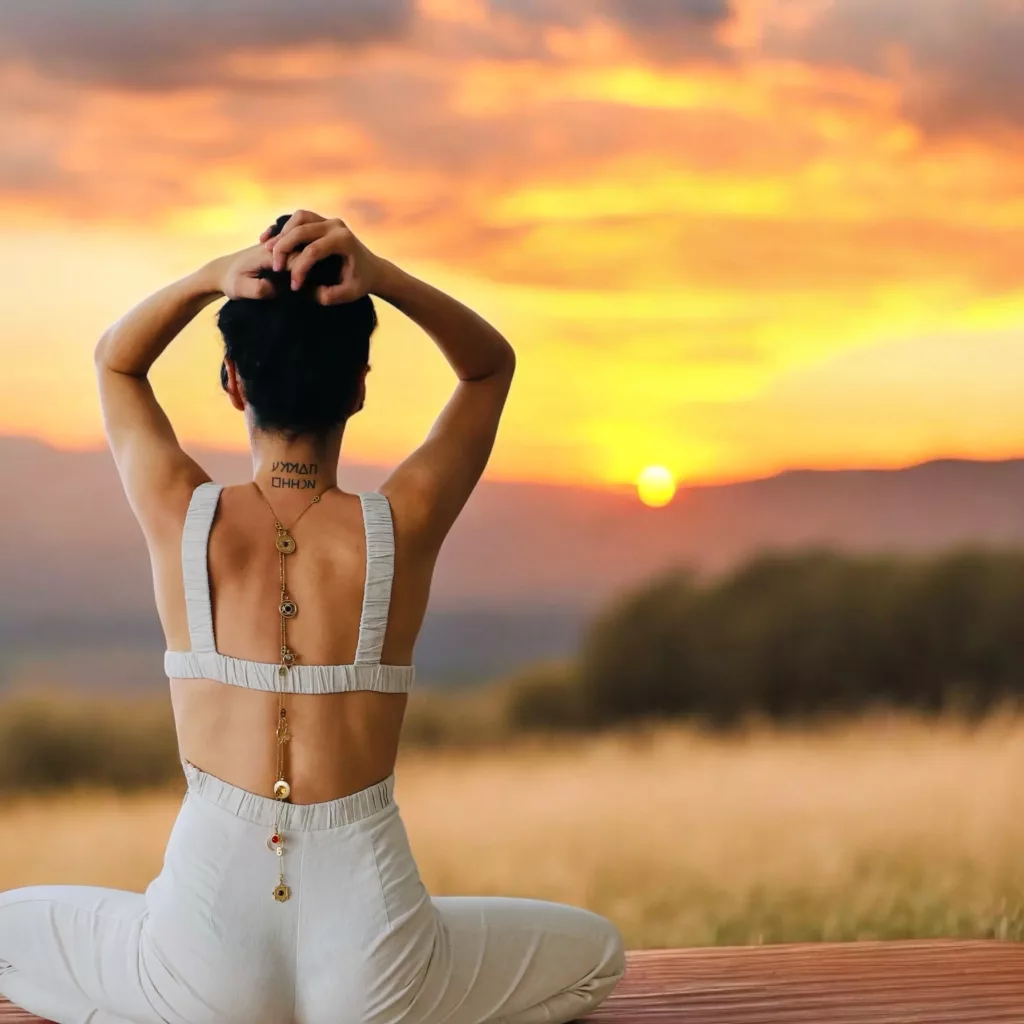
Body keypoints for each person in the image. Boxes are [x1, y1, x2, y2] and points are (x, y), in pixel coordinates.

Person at [0, 211, 626, 1024]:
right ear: (361, 386)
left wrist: (208, 276)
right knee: (596, 955)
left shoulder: (181, 515)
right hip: (376, 959)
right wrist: (384, 275)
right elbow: (489, 368)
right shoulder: (402, 524)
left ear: (233, 383)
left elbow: (115, 365)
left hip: (199, 953)